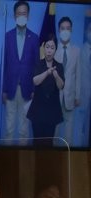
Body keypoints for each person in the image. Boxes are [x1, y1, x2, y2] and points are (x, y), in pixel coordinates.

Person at [1, 1, 40, 145]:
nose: (21, 16)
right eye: (19, 13)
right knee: (9, 128)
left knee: (24, 130)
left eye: (24, 13)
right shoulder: (7, 36)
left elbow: (37, 65)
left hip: (27, 89)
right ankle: (6, 158)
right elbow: (4, 65)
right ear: (14, 15)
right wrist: (3, 89)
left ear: (28, 15)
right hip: (10, 88)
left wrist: (35, 89)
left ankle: (21, 157)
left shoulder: (34, 38)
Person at [28, 36, 65, 146]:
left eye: (52, 48)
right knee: (37, 142)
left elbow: (61, 86)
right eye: (47, 47)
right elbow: (35, 81)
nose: (49, 50)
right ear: (44, 48)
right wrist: (47, 73)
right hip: (38, 110)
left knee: (48, 143)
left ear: (55, 49)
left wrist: (56, 75)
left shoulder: (59, 66)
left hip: (52, 111)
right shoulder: (38, 63)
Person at [55, 17, 82, 145]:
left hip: (70, 97)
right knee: (54, 131)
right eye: (62, 28)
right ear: (58, 30)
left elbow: (78, 75)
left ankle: (68, 155)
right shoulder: (53, 49)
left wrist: (77, 95)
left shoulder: (77, 51)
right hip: (55, 96)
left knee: (68, 133)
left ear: (71, 30)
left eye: (68, 28)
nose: (65, 31)